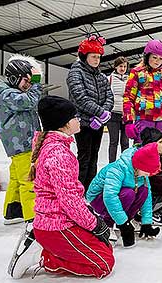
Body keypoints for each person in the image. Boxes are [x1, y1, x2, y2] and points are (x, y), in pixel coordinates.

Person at [7, 96, 114, 279]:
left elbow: (71, 194)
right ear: (64, 124)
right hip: (55, 226)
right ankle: (43, 256)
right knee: (103, 264)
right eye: (75, 116)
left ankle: (46, 244)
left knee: (106, 247)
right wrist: (94, 224)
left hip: (60, 220)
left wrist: (90, 216)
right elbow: (70, 201)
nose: (78, 119)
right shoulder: (59, 155)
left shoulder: (54, 145)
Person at [0, 54, 43, 225]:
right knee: (29, 181)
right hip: (22, 145)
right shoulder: (8, 94)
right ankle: (32, 218)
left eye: (29, 81)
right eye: (25, 81)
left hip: (23, 144)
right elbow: (30, 101)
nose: (28, 85)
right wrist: (36, 80)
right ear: (14, 78)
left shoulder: (13, 93)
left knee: (16, 179)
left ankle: (13, 212)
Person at [86, 142, 162, 248]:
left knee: (143, 190)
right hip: (98, 199)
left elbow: (147, 197)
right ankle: (107, 223)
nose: (148, 174)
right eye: (147, 171)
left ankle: (126, 219)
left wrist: (146, 222)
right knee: (129, 193)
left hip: (118, 199)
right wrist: (123, 224)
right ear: (140, 165)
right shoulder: (118, 169)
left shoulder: (141, 174)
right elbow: (110, 197)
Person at [67, 34, 114, 190]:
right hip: (83, 123)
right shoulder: (75, 73)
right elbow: (80, 97)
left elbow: (109, 95)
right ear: (84, 56)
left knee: (94, 156)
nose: (96, 60)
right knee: (84, 157)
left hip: (98, 123)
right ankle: (79, 189)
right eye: (93, 56)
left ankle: (91, 189)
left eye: (99, 57)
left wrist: (103, 115)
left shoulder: (100, 76)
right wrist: (100, 112)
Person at [123, 39, 162, 143]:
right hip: (144, 118)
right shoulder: (137, 73)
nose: (157, 61)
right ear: (147, 56)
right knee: (142, 151)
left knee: (161, 152)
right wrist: (128, 121)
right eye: (154, 57)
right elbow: (128, 98)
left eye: (160, 58)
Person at [107, 56, 130, 162]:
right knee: (113, 142)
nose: (123, 68)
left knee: (125, 142)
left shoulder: (129, 79)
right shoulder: (109, 79)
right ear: (115, 67)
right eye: (120, 66)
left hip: (125, 114)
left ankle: (124, 163)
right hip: (113, 114)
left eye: (125, 66)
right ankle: (111, 164)